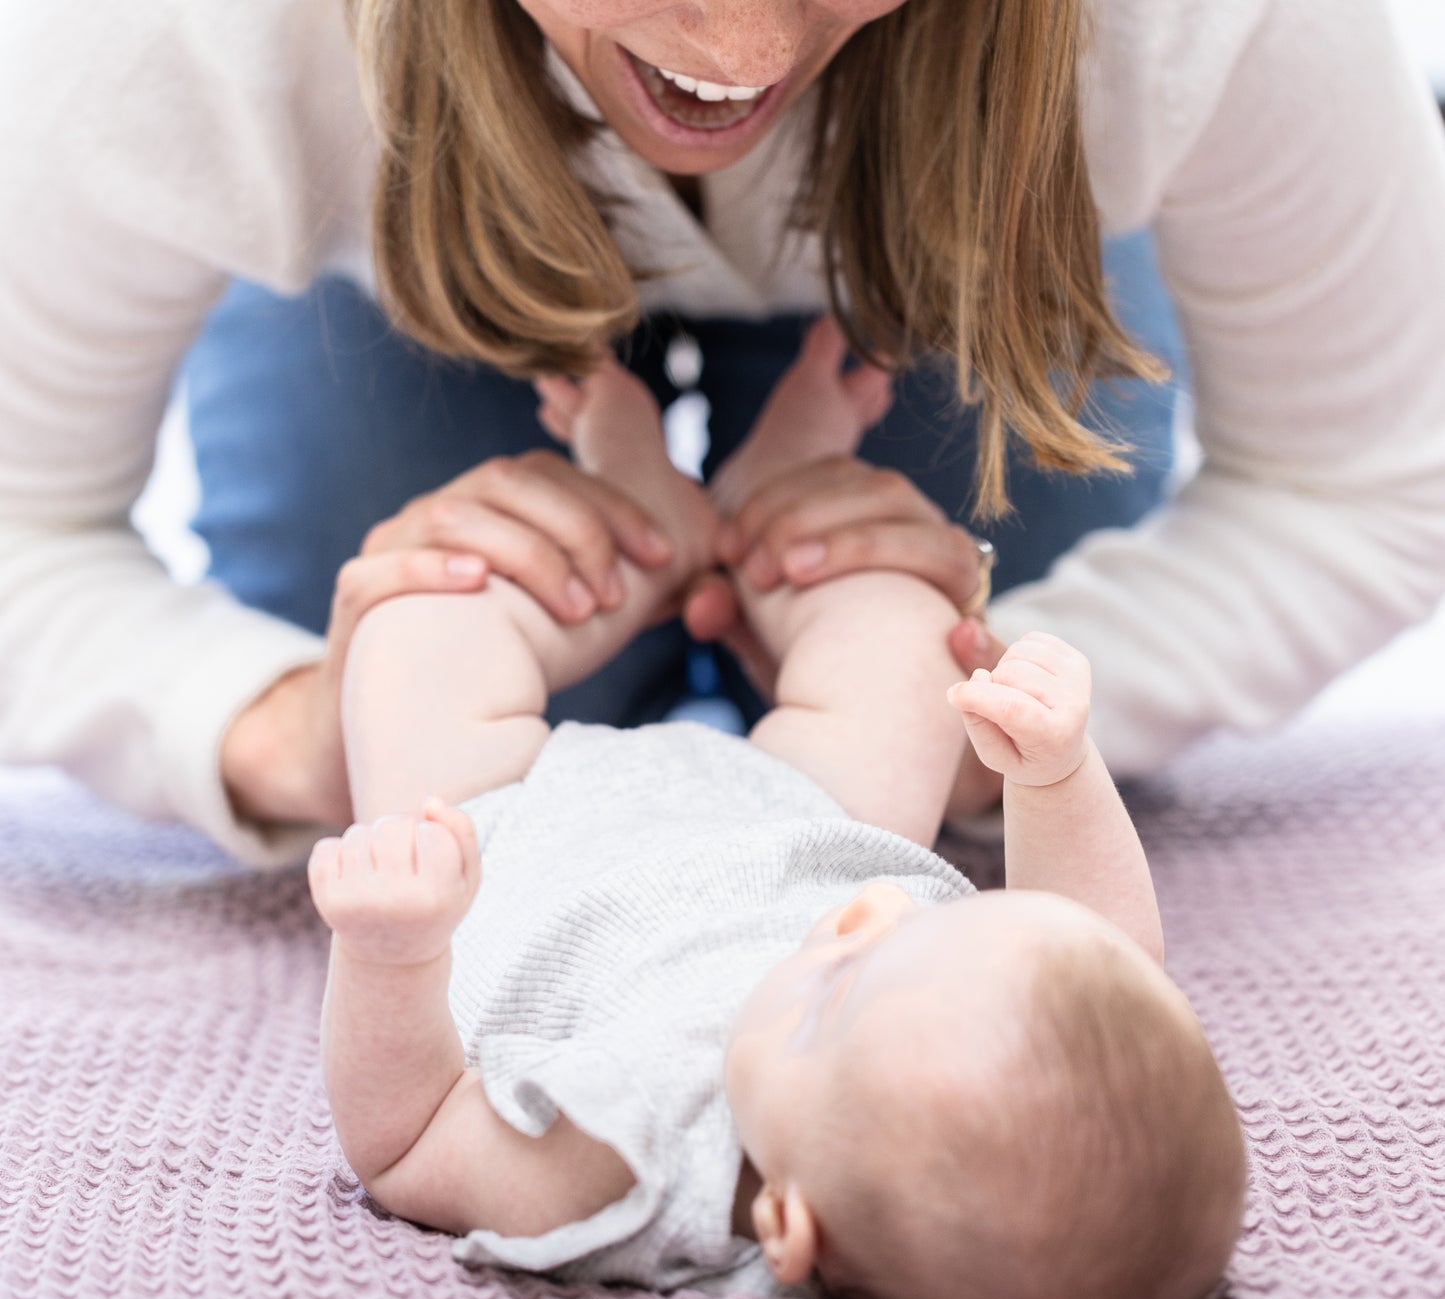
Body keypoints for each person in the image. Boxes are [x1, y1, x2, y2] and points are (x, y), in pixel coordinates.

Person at [2, 0, 1443, 868]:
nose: (737, 53)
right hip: (403, 250)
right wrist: (279, 729)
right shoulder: (169, 35)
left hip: (954, 256)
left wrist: (1014, 740)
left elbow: (1371, 485)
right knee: (395, 658)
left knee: (963, 671)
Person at [309, 324, 1246, 1299]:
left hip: (508, 831)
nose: (871, 913)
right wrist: (1054, 767)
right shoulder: (882, 954)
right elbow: (1099, 943)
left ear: (785, 1228)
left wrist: (394, 951)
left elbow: (405, 1140)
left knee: (417, 624)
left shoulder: (630, 1165)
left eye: (832, 992)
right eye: (903, 937)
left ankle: (642, 519)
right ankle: (779, 502)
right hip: (806, 811)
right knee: (908, 641)